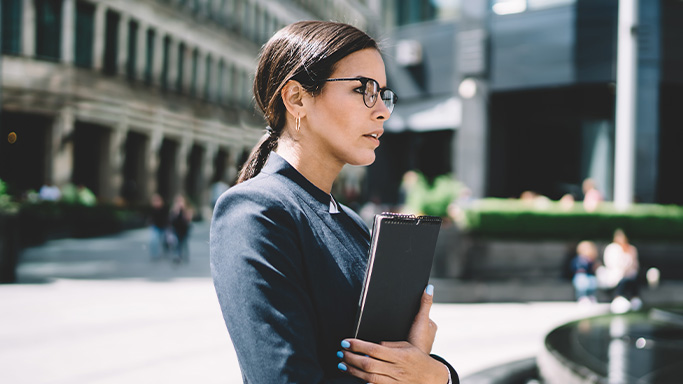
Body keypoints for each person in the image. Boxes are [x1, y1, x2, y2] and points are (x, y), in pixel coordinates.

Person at [210, 21, 458, 384]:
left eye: (384, 94)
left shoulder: (353, 224)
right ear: (296, 98)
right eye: (363, 90)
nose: (382, 111)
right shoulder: (254, 212)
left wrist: (435, 375)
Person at [601, 229, 641, 313]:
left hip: (630, 276)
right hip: (617, 276)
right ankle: (619, 297)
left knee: (632, 280)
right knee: (624, 281)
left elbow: (635, 265)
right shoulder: (612, 248)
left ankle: (634, 298)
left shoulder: (631, 249)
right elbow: (612, 264)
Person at [169, 194, 192, 263]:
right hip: (176, 230)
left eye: (181, 201)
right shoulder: (174, 210)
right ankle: (178, 256)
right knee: (177, 243)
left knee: (184, 243)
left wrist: (183, 211)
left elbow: (188, 220)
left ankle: (185, 256)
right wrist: (177, 212)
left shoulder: (187, 210)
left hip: (184, 230)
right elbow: (171, 220)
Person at [147, 193, 169, 261]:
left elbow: (167, 218)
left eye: (158, 200)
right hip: (155, 227)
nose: (157, 202)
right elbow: (150, 218)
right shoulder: (152, 209)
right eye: (155, 201)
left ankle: (164, 252)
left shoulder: (164, 209)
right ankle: (155, 255)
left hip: (163, 227)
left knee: (163, 241)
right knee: (154, 241)